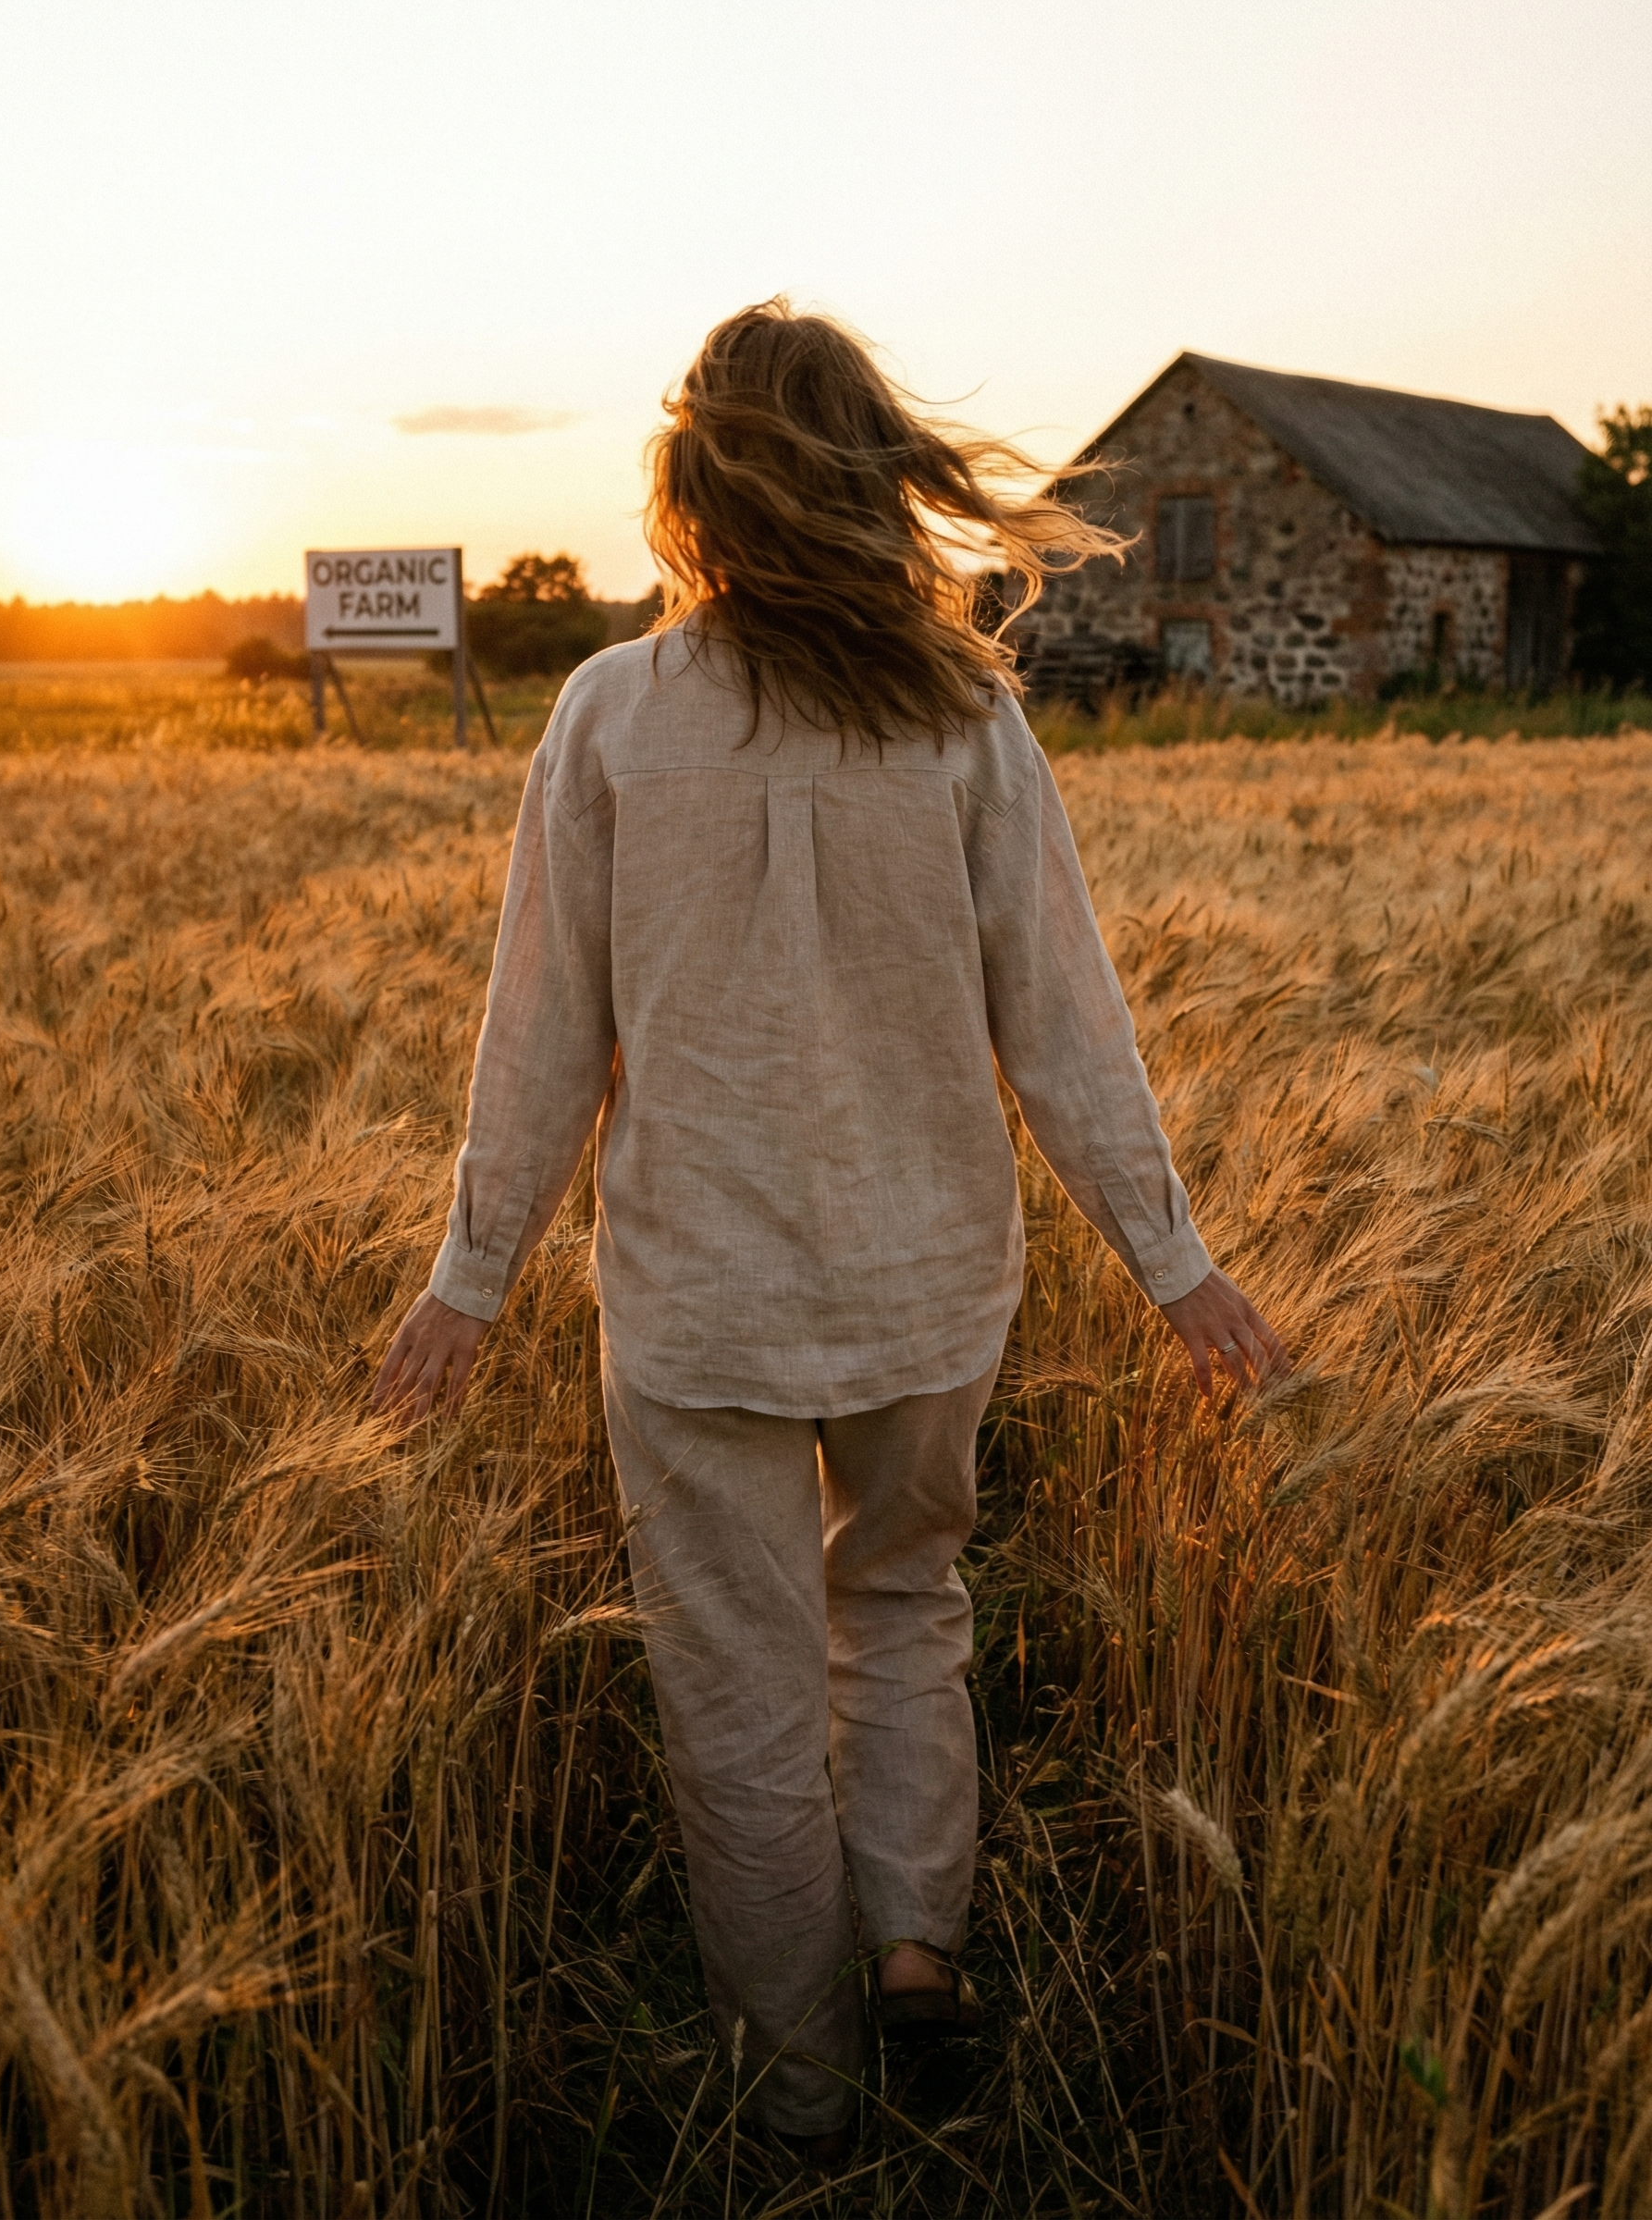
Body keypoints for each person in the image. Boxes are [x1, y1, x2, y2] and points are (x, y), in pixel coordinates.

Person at [372, 300, 1288, 2166]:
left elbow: (539, 1037)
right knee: (902, 1605)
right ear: (881, 479)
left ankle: (795, 2095)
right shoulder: (962, 717)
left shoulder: (611, 715)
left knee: (735, 1678)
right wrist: (1173, 1265)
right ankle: (911, 1941)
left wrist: (466, 1284)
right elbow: (1062, 1022)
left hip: (697, 1308)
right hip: (923, 1288)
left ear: (688, 481)